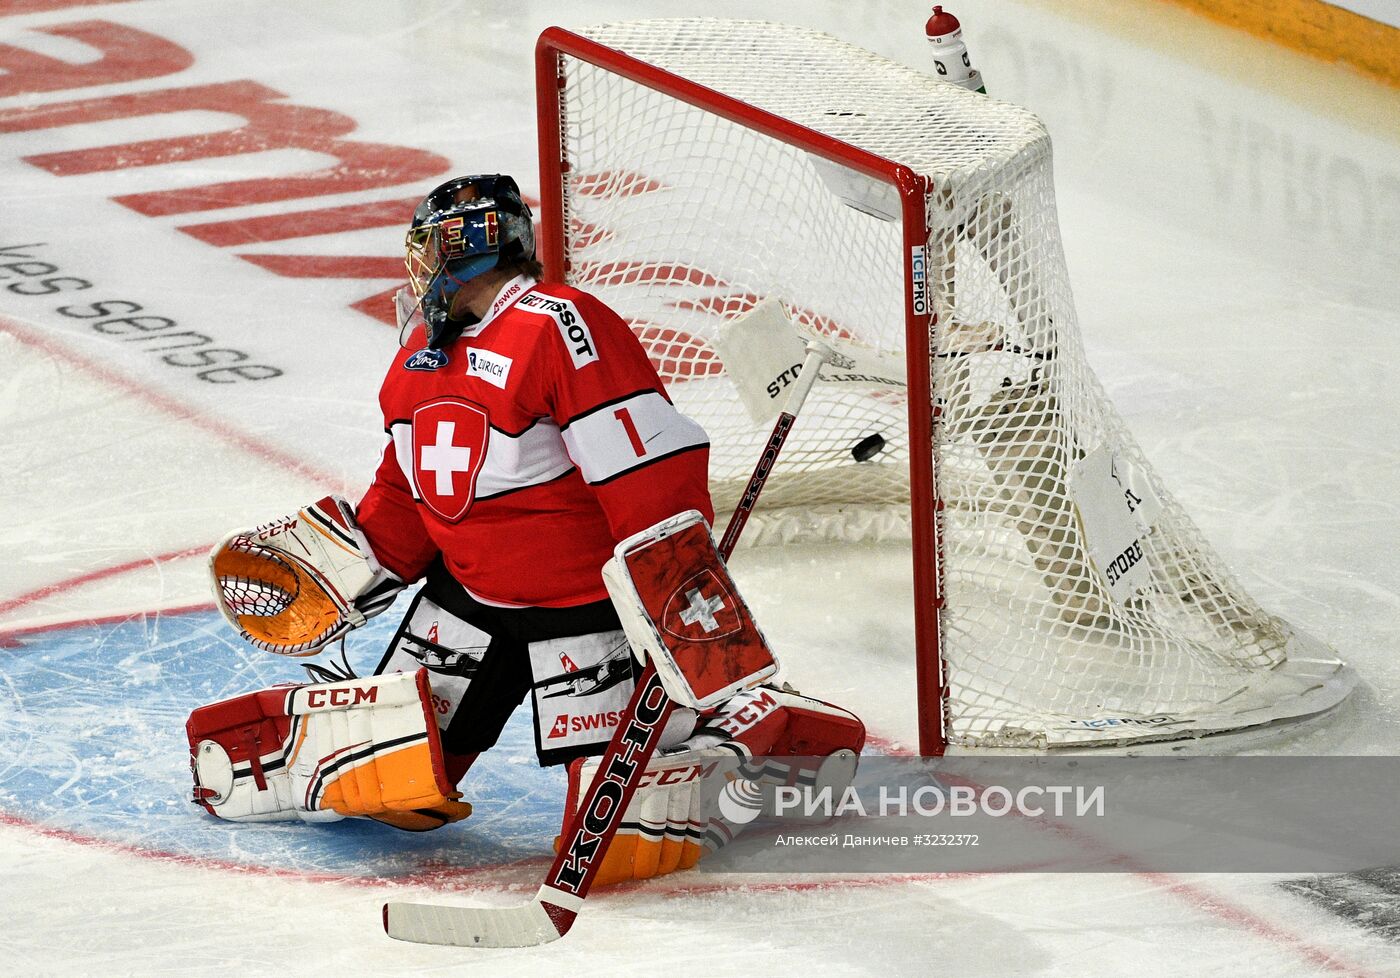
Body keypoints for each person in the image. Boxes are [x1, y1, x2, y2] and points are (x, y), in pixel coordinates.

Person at [186, 174, 864, 885]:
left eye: (429, 247)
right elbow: (411, 484)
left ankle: (753, 739)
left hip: (585, 612)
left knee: (618, 837)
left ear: (467, 249)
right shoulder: (420, 345)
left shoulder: (559, 325)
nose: (419, 266)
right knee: (389, 774)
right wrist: (361, 558)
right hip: (470, 601)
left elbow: (646, 470)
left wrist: (675, 598)